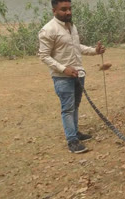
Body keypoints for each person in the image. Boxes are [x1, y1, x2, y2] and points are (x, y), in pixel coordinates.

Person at [38, 0, 105, 154]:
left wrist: (95, 50)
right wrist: (64, 69)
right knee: (67, 108)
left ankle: (75, 132)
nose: (68, 12)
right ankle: (72, 141)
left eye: (69, 9)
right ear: (54, 11)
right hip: (62, 78)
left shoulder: (71, 26)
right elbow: (43, 56)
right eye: (63, 9)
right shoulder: (48, 30)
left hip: (78, 74)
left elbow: (77, 47)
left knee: (75, 106)